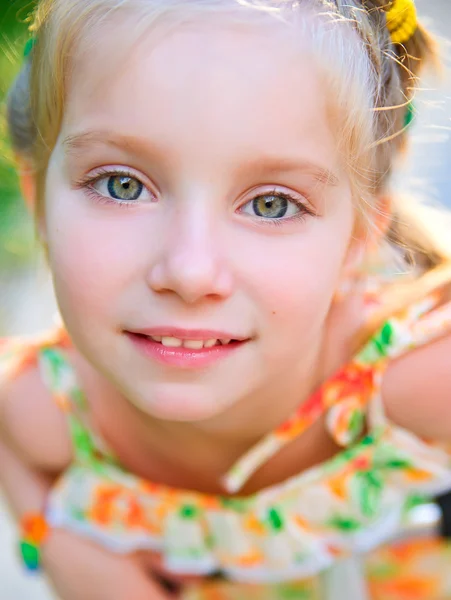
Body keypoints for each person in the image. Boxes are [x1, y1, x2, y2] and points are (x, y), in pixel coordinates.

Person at [2, 0, 451, 598]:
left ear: (357, 239)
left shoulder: (422, 383)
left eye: (272, 204)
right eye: (121, 184)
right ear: (39, 203)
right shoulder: (52, 412)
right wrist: (46, 537)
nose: (189, 272)